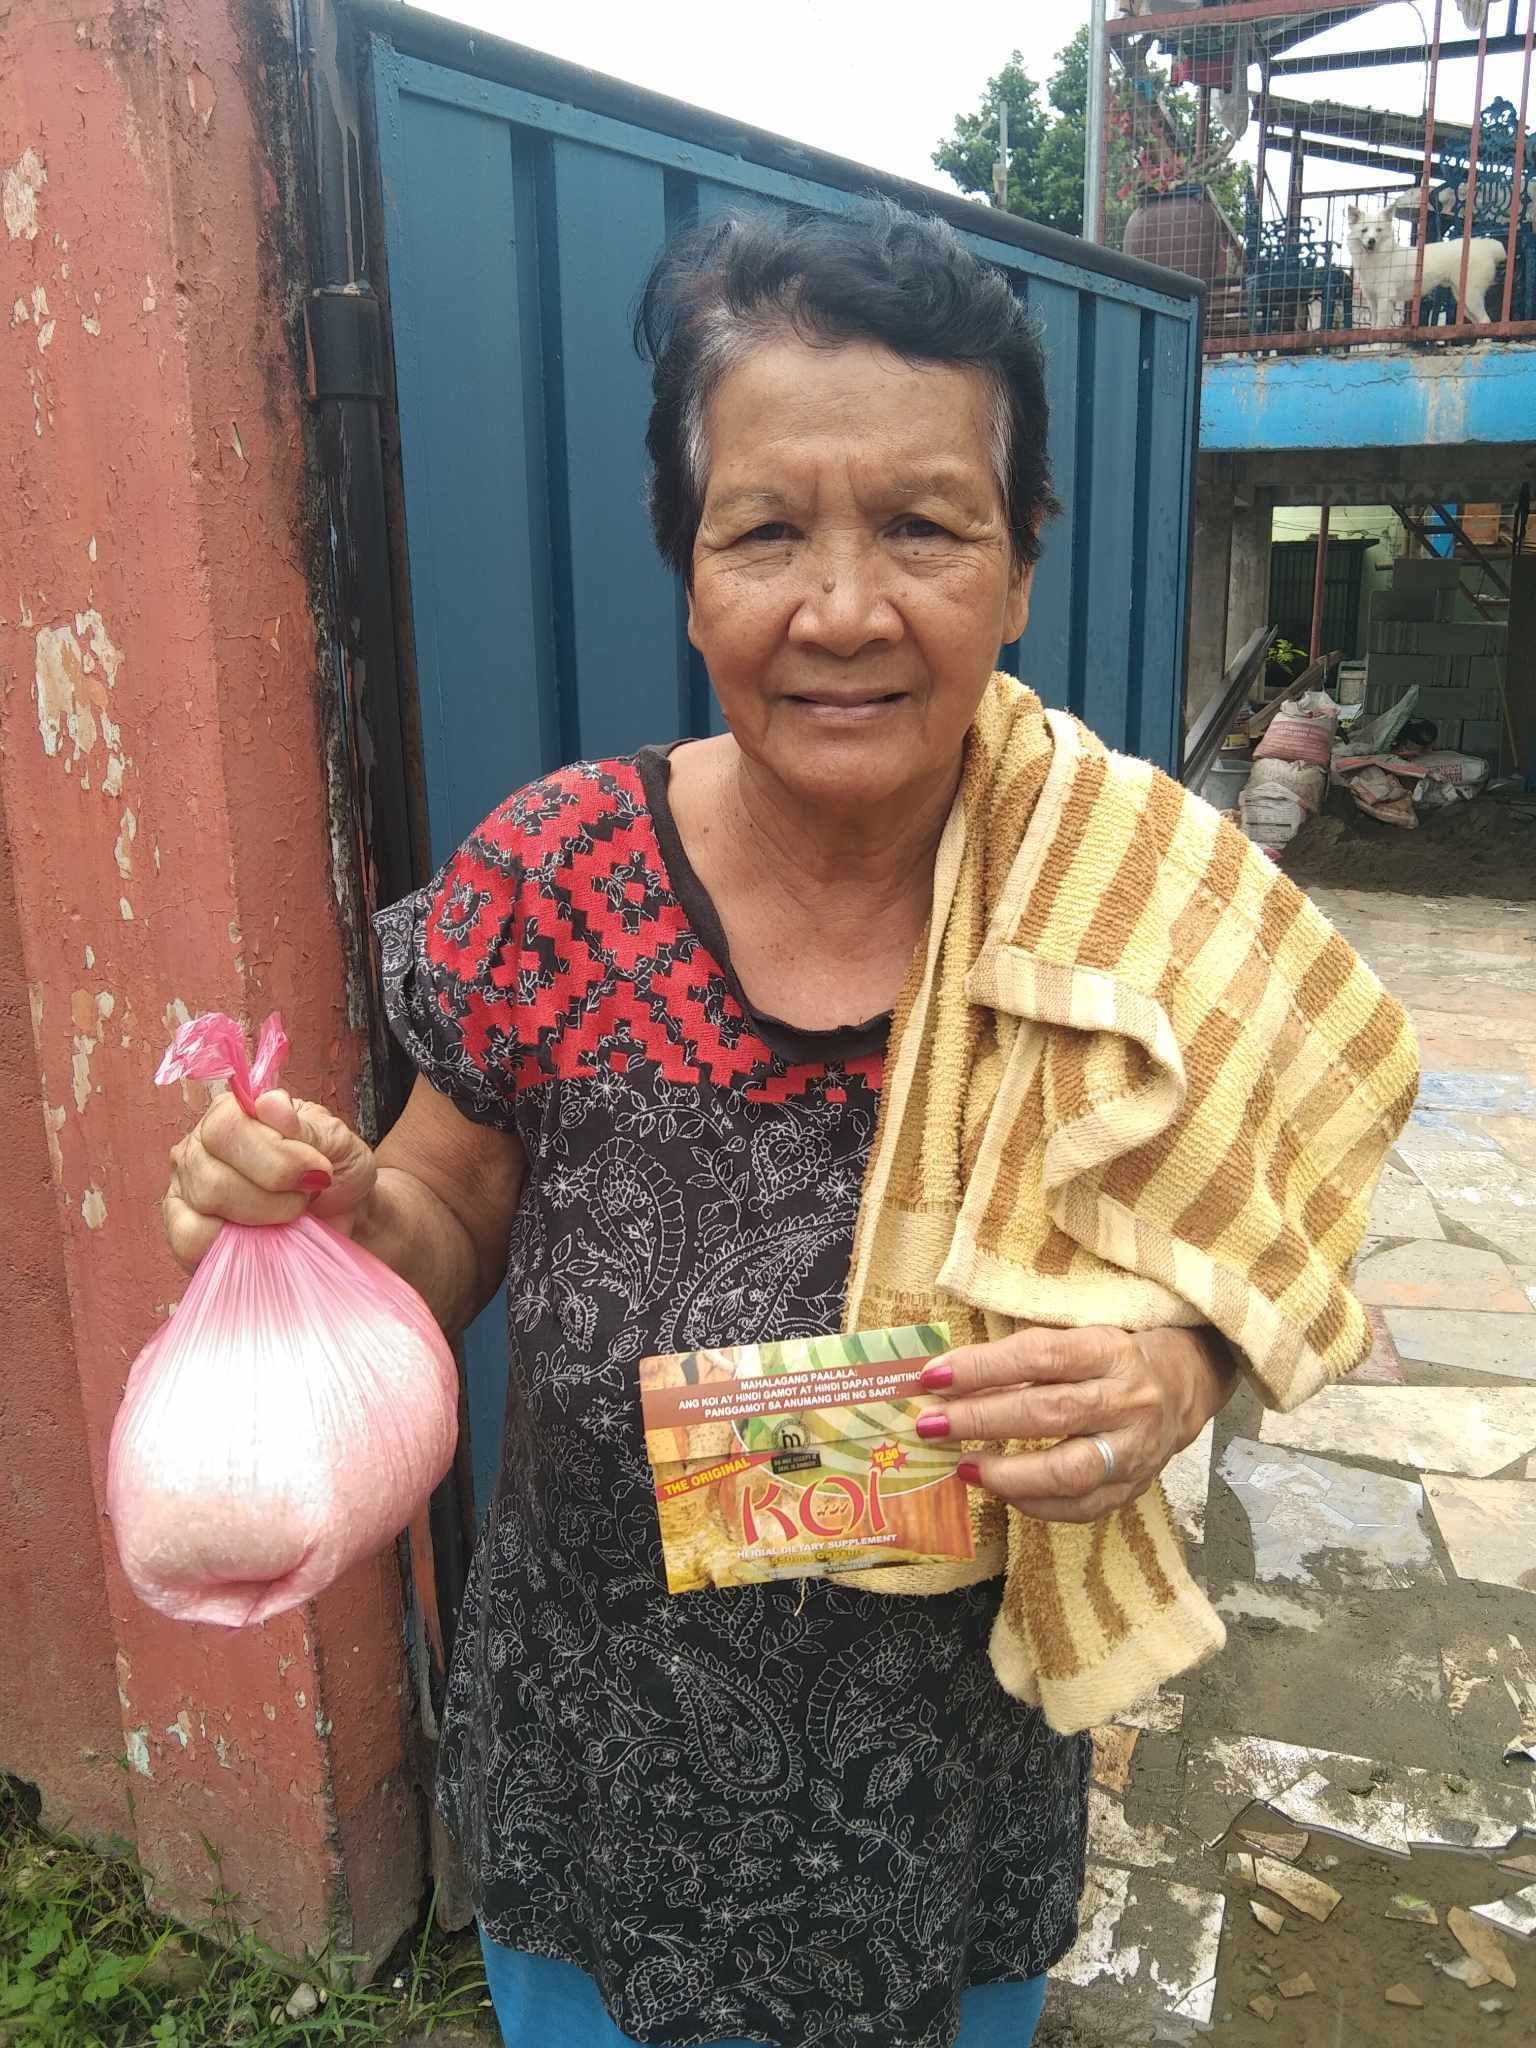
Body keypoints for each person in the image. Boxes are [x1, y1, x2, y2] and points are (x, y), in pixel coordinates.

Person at [162, 202, 1405, 2048]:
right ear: (689, 568)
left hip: (949, 1816)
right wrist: (325, 1221)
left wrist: (1179, 1372)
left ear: (1020, 562)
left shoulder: (1131, 895)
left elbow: (1257, 1210)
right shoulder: (558, 874)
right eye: (766, 532)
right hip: (600, 1810)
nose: (844, 609)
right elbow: (438, 1215)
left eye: (923, 525)